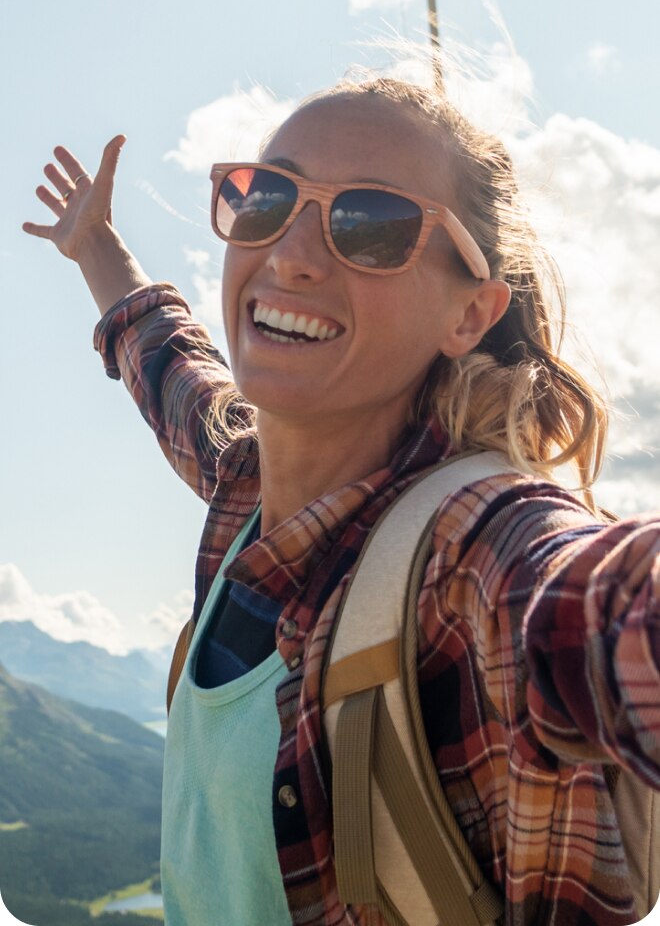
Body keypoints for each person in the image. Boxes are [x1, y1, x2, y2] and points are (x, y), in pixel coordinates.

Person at [23, 76, 659, 926]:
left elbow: (601, 603)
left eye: (373, 226)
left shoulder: (472, 550)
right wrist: (96, 245)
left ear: (470, 313)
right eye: (266, 198)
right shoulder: (244, 483)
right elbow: (168, 360)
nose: (290, 253)